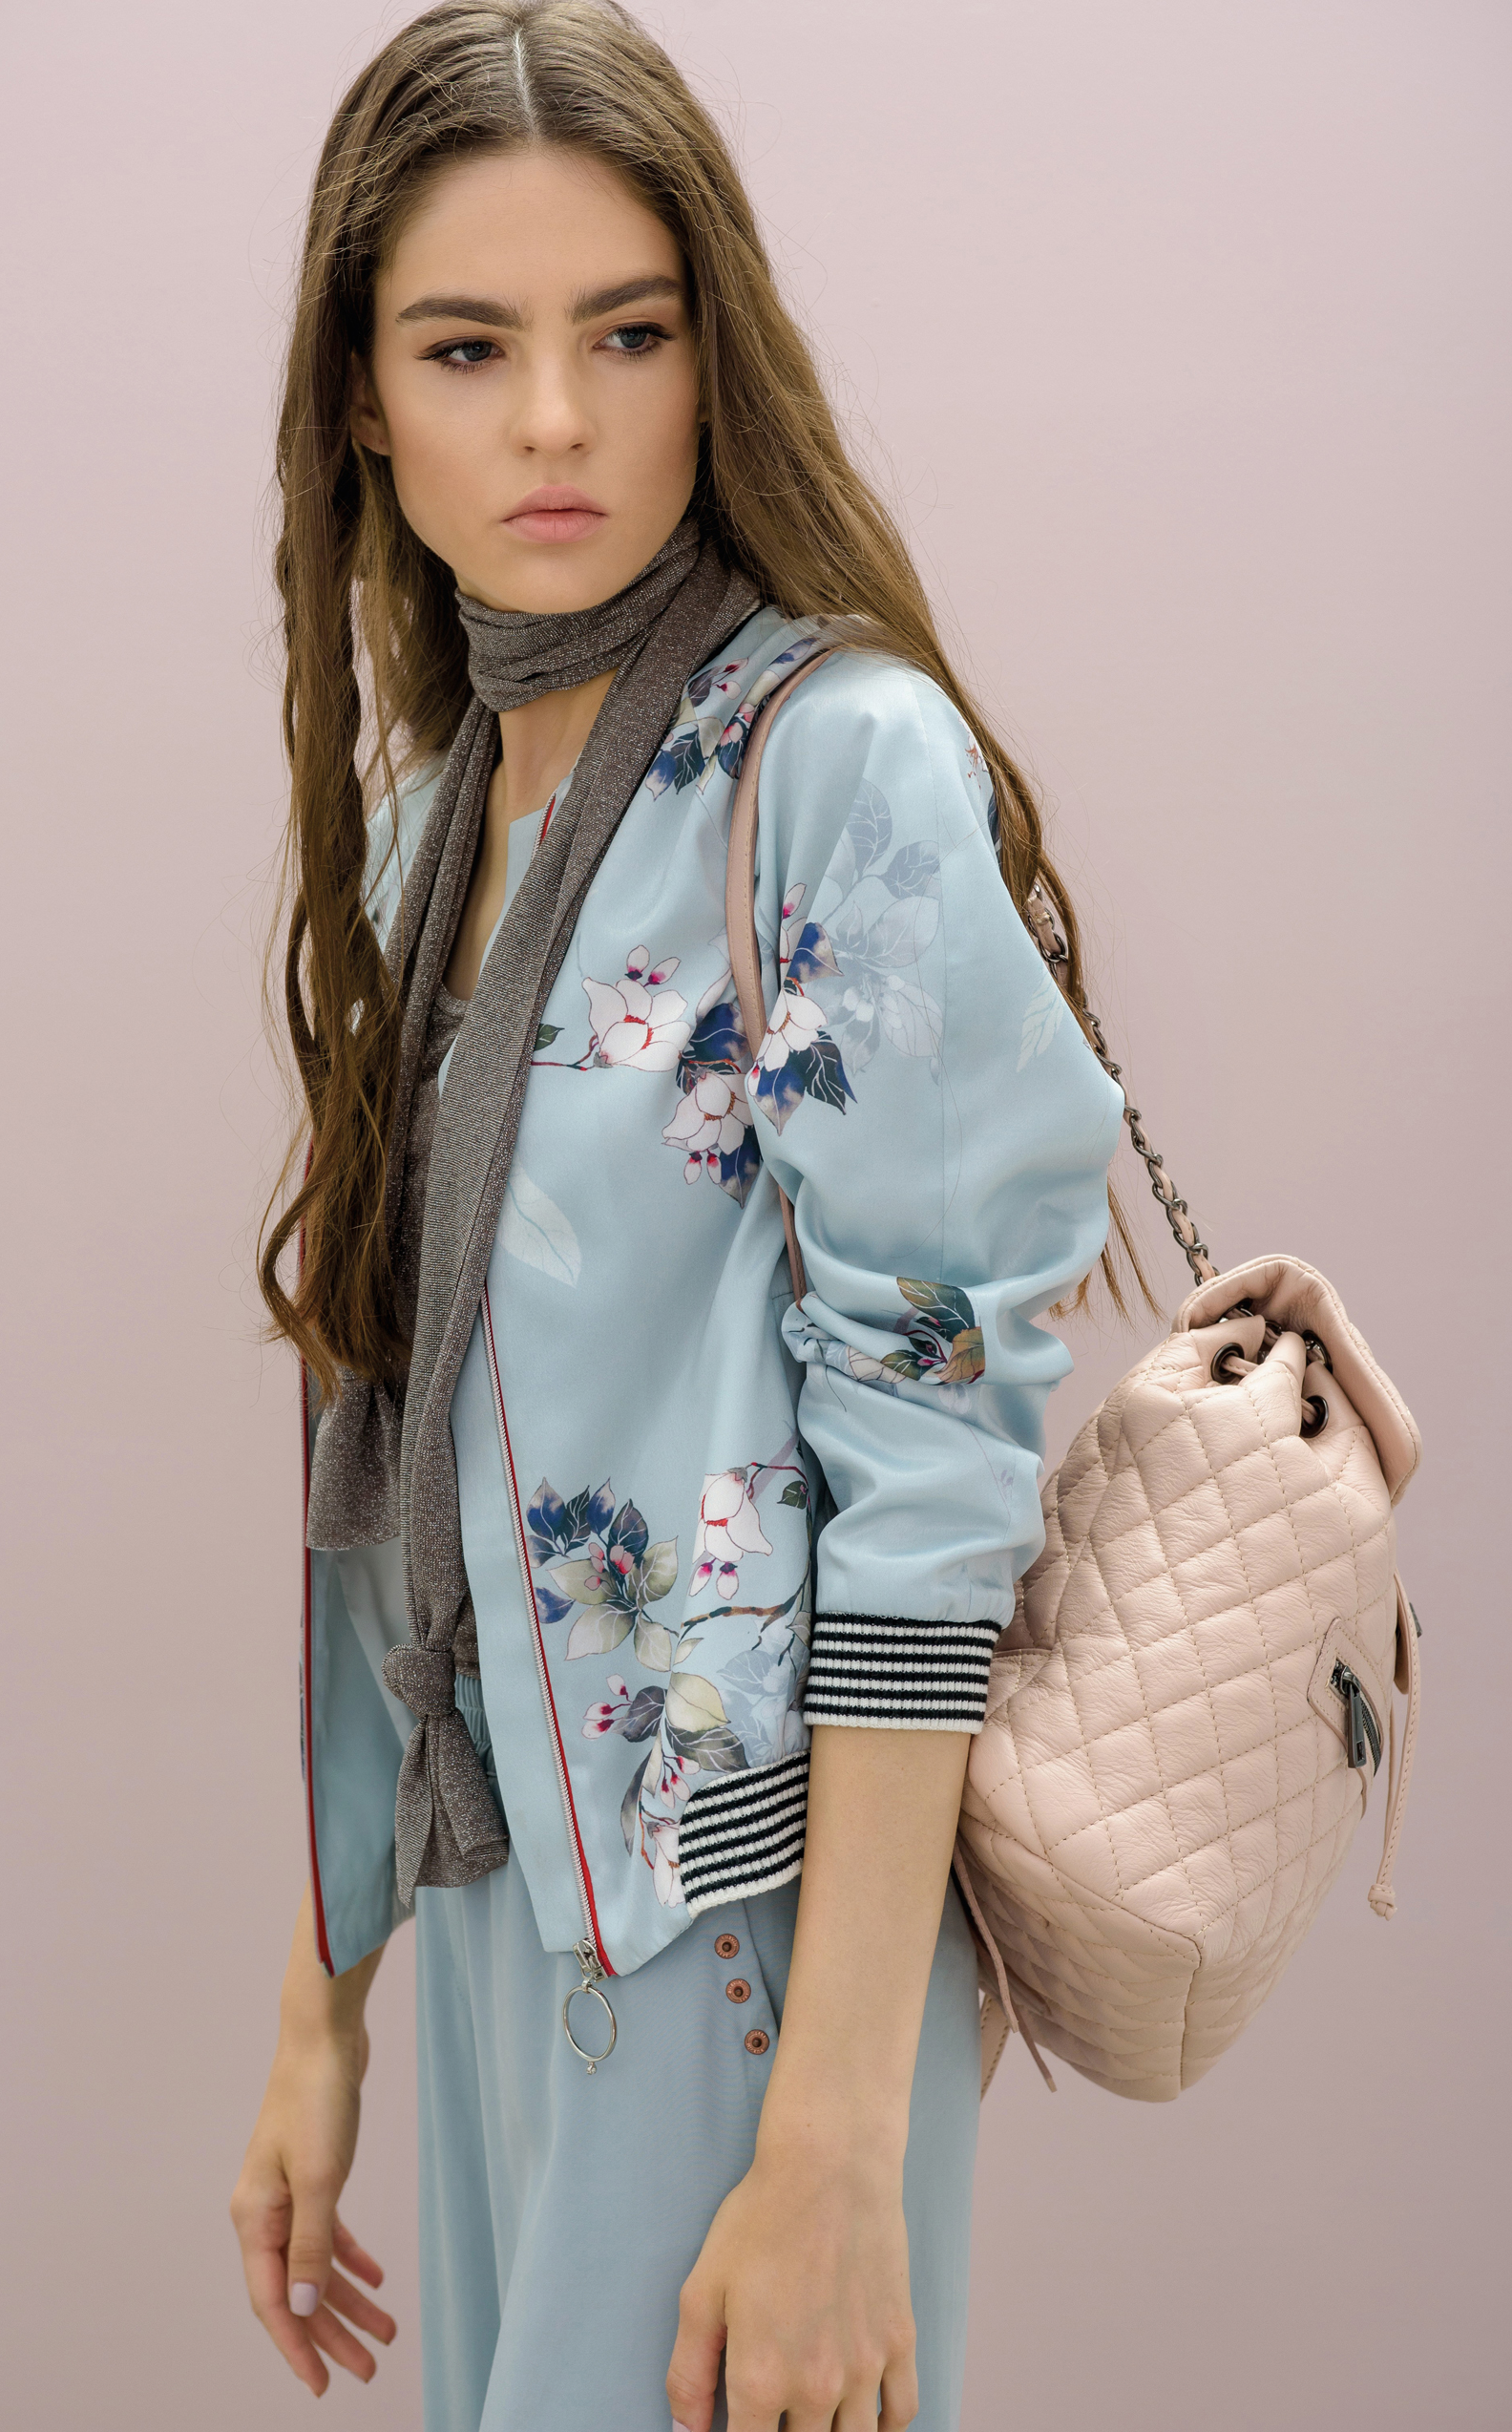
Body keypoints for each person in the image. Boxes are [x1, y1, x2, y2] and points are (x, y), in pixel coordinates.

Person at [230, 5, 1133, 2425]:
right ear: (361, 401)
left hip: (739, 1934)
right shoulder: (432, 838)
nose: (554, 418)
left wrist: (834, 2129)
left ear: (709, 354)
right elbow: (390, 1465)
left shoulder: (835, 766)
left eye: (625, 335)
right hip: (502, 1914)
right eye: (467, 346)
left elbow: (931, 1471)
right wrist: (324, 2006)